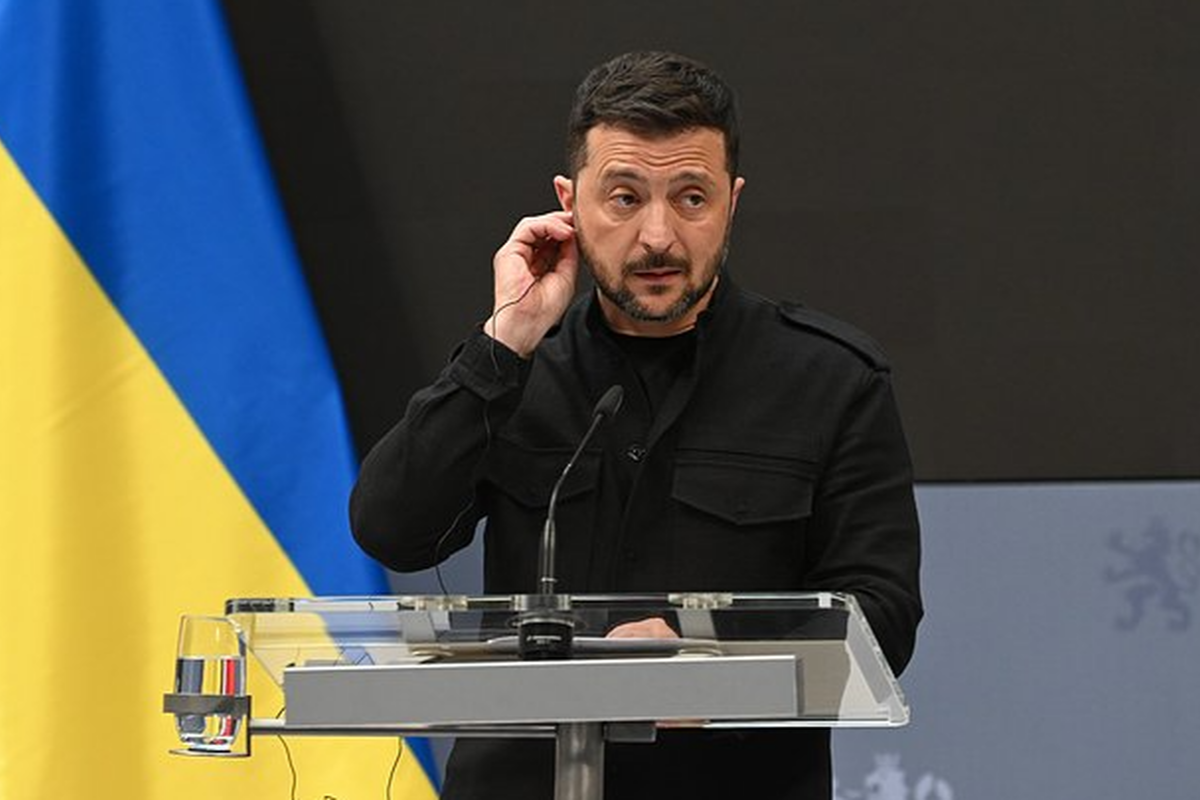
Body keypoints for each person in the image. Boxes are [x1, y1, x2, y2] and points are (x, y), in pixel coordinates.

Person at [351, 50, 922, 800]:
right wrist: (504, 341)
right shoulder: (516, 365)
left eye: (691, 198)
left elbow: (882, 620)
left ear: (731, 202)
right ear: (569, 203)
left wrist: (701, 654)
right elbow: (392, 530)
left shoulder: (830, 379)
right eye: (624, 198)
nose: (658, 236)